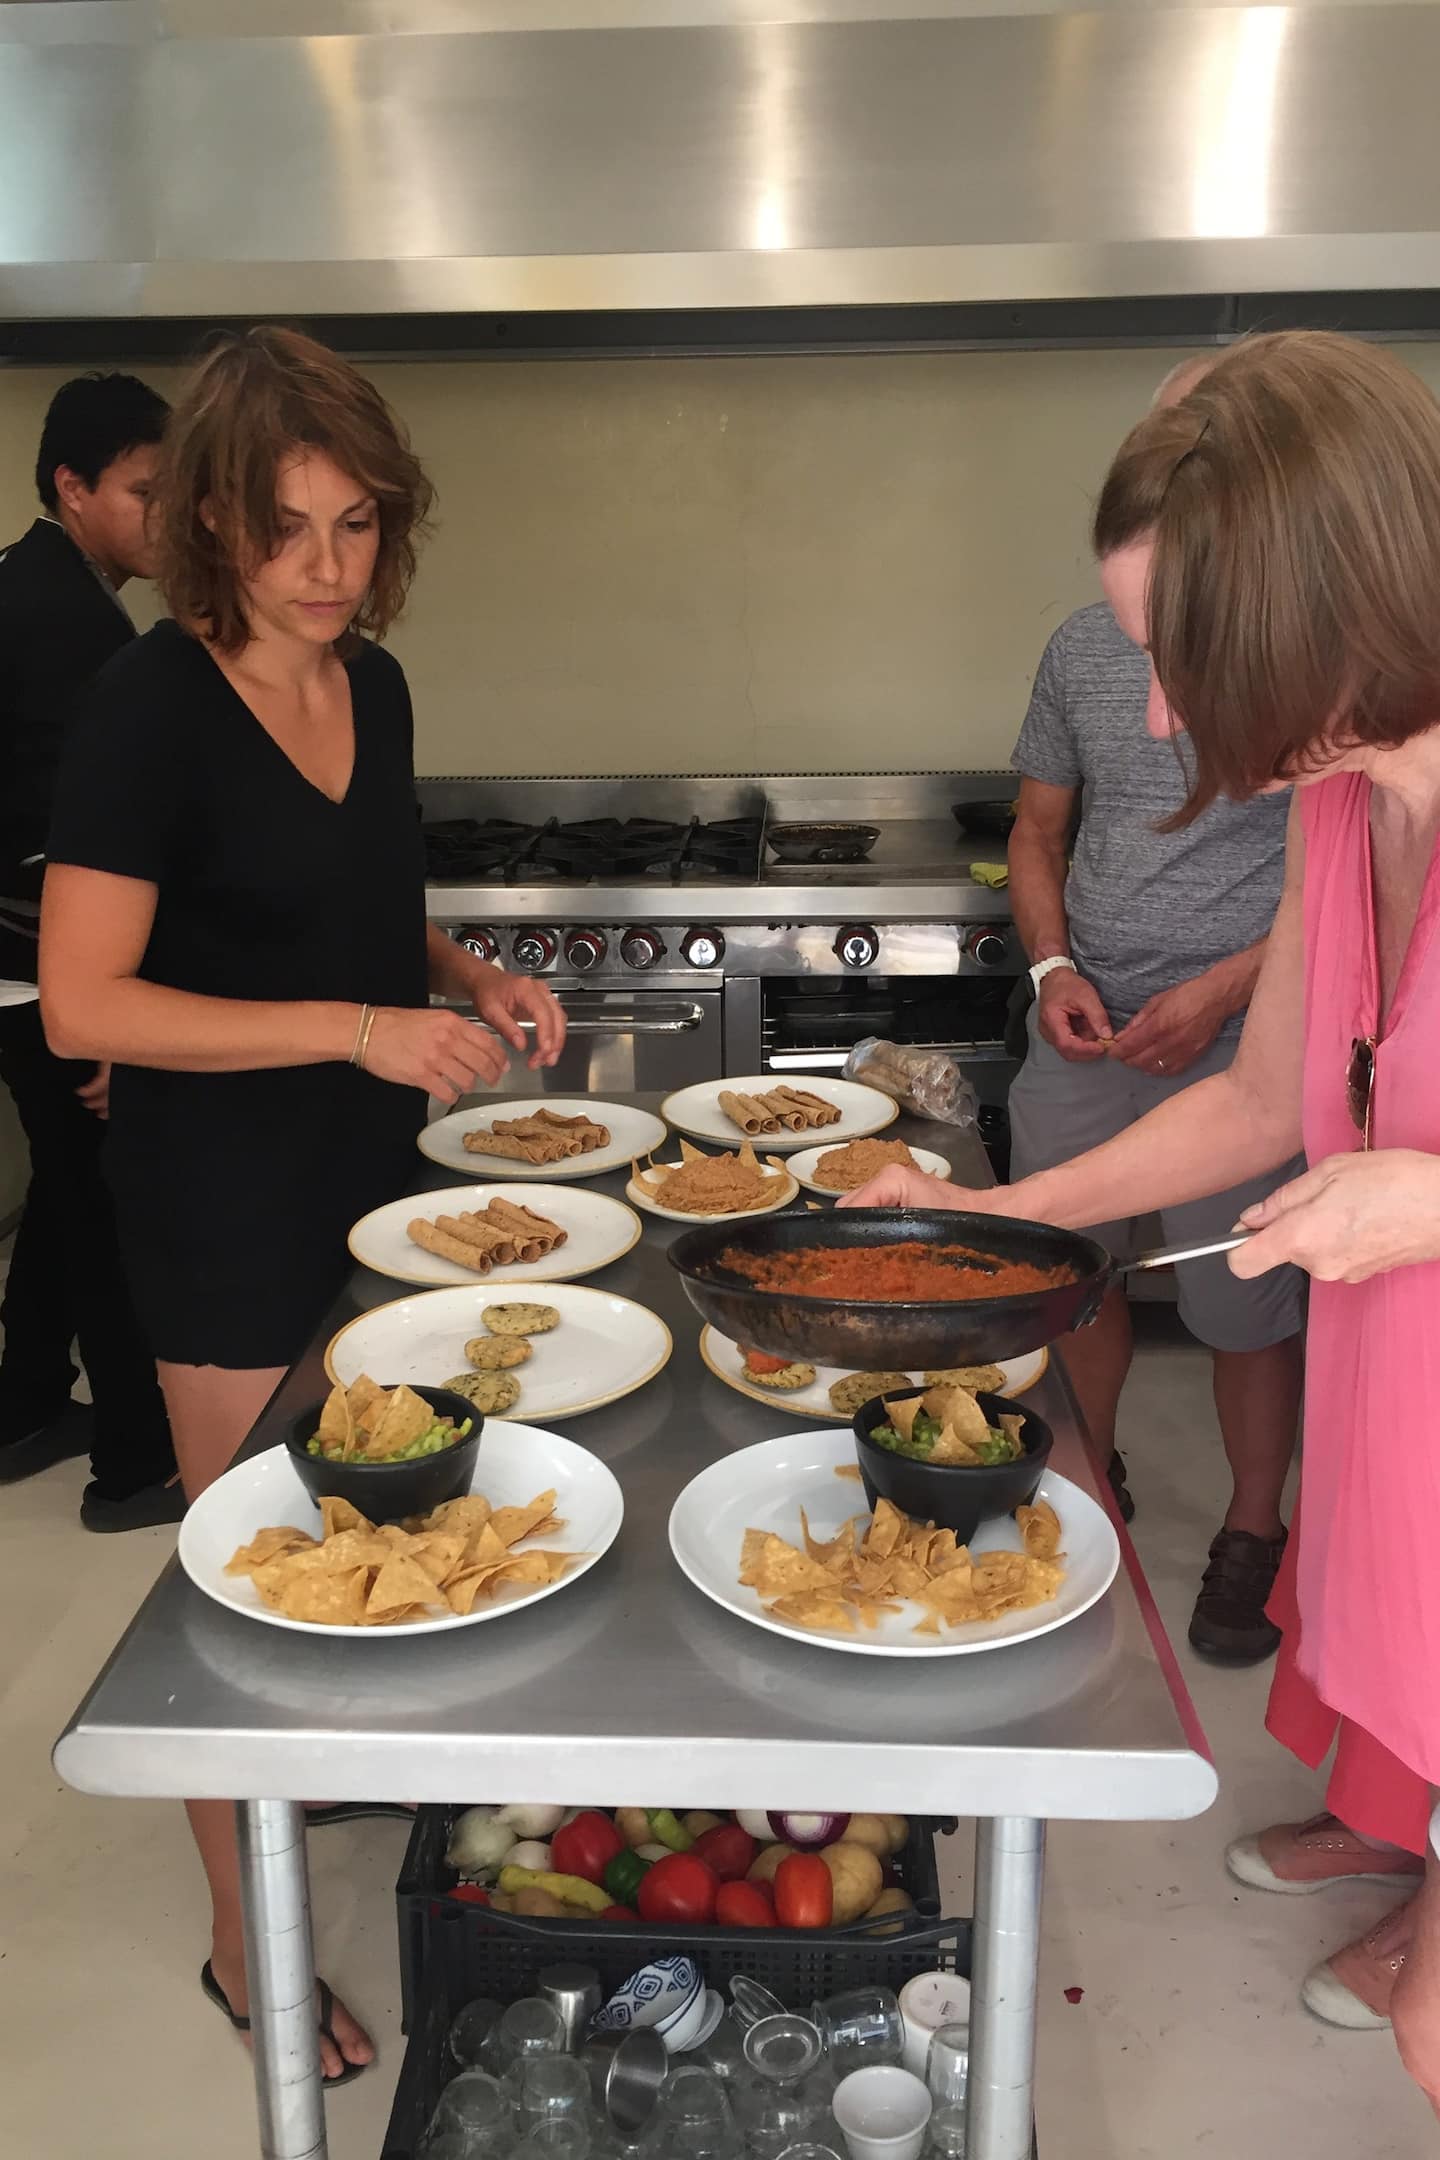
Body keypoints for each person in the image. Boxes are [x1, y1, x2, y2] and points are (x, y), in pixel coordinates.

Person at [844, 329, 1440, 2106]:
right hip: (1397, 1408)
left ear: (1333, 606)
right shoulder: (1343, 809)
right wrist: (1002, 1219)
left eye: (1189, 659)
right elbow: (1261, 1104)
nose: (1162, 717)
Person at [39, 326, 566, 2083]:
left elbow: (353, 898)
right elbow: (86, 1004)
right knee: (243, 1587)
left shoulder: (378, 684)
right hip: (219, 1208)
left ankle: (352, 1786)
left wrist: (460, 971)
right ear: (210, 518)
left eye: (358, 526)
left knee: (398, 1515)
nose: (330, 570)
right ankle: (239, 1941)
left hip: (377, 1189)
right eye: (291, 530)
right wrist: (358, 1025)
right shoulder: (147, 709)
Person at [1005, 355, 1305, 1665]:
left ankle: (1252, 1529)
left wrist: (1225, 991)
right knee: (1072, 1280)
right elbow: (1032, 834)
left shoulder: (1312, 686)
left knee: (1245, 1306)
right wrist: (1052, 972)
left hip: (1250, 1040)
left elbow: (1327, 901)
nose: (1160, 705)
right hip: (1093, 1031)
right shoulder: (1085, 651)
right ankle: (1093, 1471)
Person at [0, 371, 179, 1527]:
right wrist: (109, 1013)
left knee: (65, 1204)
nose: (170, 520)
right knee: (108, 1213)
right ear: (73, 487)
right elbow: (74, 848)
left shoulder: (37, 586)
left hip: (20, 972)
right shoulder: (65, 623)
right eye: (146, 493)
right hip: (41, 974)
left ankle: (20, 1409)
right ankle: (129, 1467)